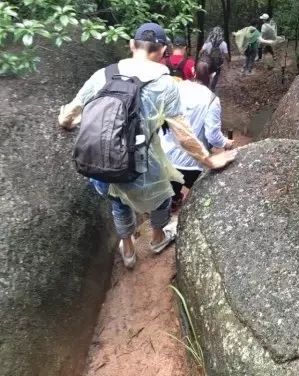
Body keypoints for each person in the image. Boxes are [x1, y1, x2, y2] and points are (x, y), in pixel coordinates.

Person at [58, 22, 236, 268]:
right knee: (163, 197)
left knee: (117, 201)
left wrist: (66, 122)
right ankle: (157, 238)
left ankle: (128, 251)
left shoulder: (104, 74)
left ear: (132, 45)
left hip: (102, 162)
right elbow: (183, 134)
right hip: (142, 167)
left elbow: (71, 112)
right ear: (163, 51)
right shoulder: (165, 85)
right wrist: (209, 160)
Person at [161, 61, 234, 211]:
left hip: (166, 155)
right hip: (191, 162)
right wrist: (226, 143)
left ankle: (172, 208)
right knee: (204, 195)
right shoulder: (211, 100)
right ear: (212, 77)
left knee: (171, 190)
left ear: (193, 74)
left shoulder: (176, 88)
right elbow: (212, 136)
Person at [200, 26, 228, 91]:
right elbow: (226, 54)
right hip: (218, 63)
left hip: (208, 61)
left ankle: (206, 86)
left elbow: (201, 51)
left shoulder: (207, 42)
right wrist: (228, 60)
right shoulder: (223, 43)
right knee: (216, 75)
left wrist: (200, 58)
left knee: (207, 73)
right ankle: (212, 88)